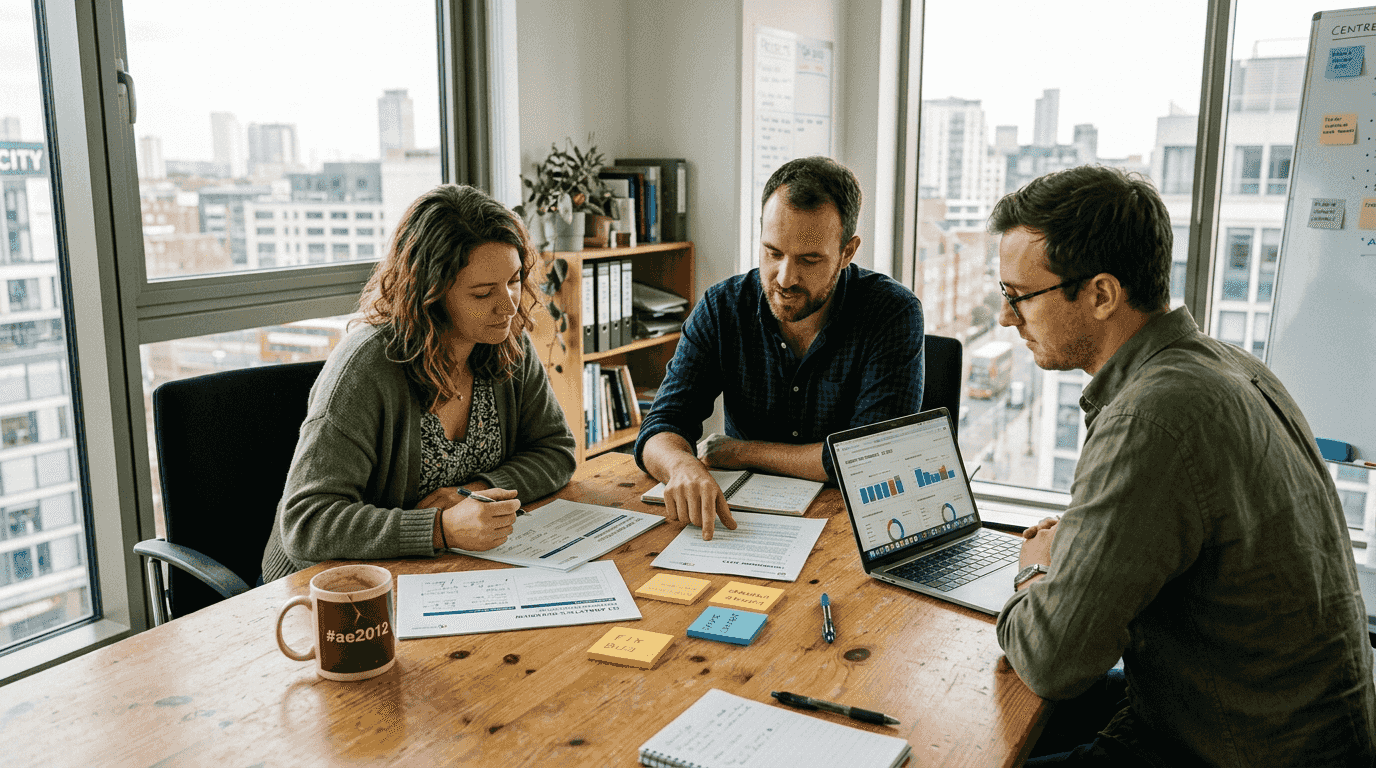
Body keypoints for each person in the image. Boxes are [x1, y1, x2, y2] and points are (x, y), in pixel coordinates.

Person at [990, 165, 1376, 766]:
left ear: (1100, 294)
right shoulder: (1229, 364)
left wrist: (1035, 572)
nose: (1007, 318)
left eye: (1019, 297)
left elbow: (1053, 660)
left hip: (1234, 749)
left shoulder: (1151, 417)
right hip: (1295, 725)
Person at [261, 185, 576, 582]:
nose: (509, 305)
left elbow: (556, 450)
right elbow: (307, 524)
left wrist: (474, 492)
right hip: (325, 590)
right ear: (431, 294)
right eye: (482, 293)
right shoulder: (367, 368)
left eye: (513, 280)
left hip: (442, 571)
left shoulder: (506, 341)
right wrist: (440, 528)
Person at [635, 156, 924, 539]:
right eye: (773, 252)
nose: (785, 278)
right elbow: (660, 426)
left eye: (809, 259)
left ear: (847, 252)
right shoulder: (722, 308)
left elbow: (868, 456)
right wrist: (681, 466)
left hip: (854, 526)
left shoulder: (892, 313)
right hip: (744, 523)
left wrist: (740, 452)